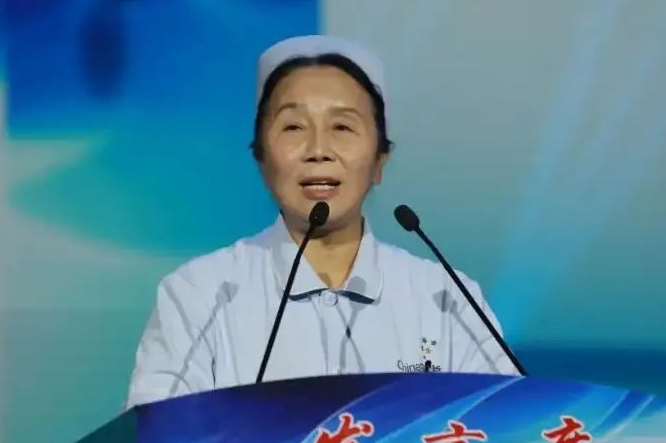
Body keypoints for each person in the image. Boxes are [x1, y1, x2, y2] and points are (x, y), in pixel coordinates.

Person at [125, 35, 519, 408]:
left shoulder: (448, 300)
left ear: (379, 161)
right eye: (293, 127)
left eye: (342, 127)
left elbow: (511, 433)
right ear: (260, 158)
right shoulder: (199, 295)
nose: (318, 150)